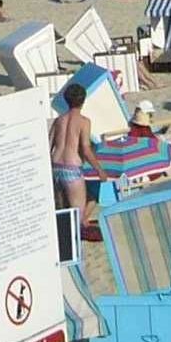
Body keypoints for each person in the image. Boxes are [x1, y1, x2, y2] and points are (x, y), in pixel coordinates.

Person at [50, 81, 101, 242]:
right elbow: (86, 148)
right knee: (77, 215)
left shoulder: (59, 120)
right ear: (83, 100)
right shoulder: (84, 121)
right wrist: (100, 170)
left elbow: (48, 145)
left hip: (56, 166)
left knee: (61, 211)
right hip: (72, 168)